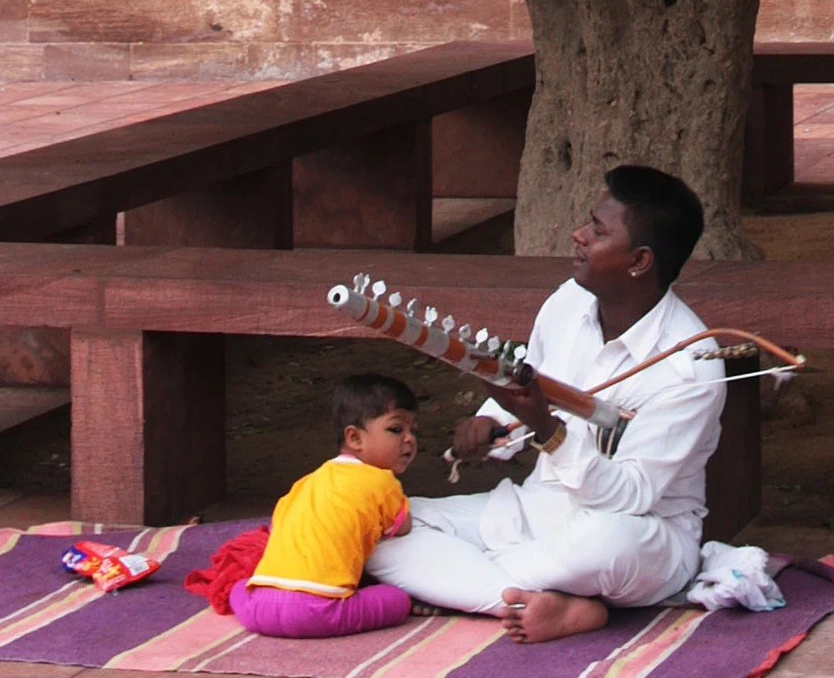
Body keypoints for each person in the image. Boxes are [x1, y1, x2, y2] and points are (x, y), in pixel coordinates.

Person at [367, 163, 725, 645]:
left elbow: (631, 497)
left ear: (639, 261)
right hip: (538, 509)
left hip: (637, 534)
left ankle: (471, 584)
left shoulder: (691, 367)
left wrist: (545, 427)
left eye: (597, 231)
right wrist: (490, 421)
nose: (578, 235)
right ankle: (546, 601)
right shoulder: (569, 301)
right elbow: (530, 384)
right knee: (381, 530)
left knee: (607, 542)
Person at [231, 372, 419, 639]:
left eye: (413, 430)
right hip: (320, 611)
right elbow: (402, 528)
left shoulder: (305, 482)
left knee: (238, 587)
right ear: (355, 438)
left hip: (258, 608)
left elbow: (277, 529)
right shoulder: (382, 482)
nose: (410, 439)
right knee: (397, 599)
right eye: (396, 429)